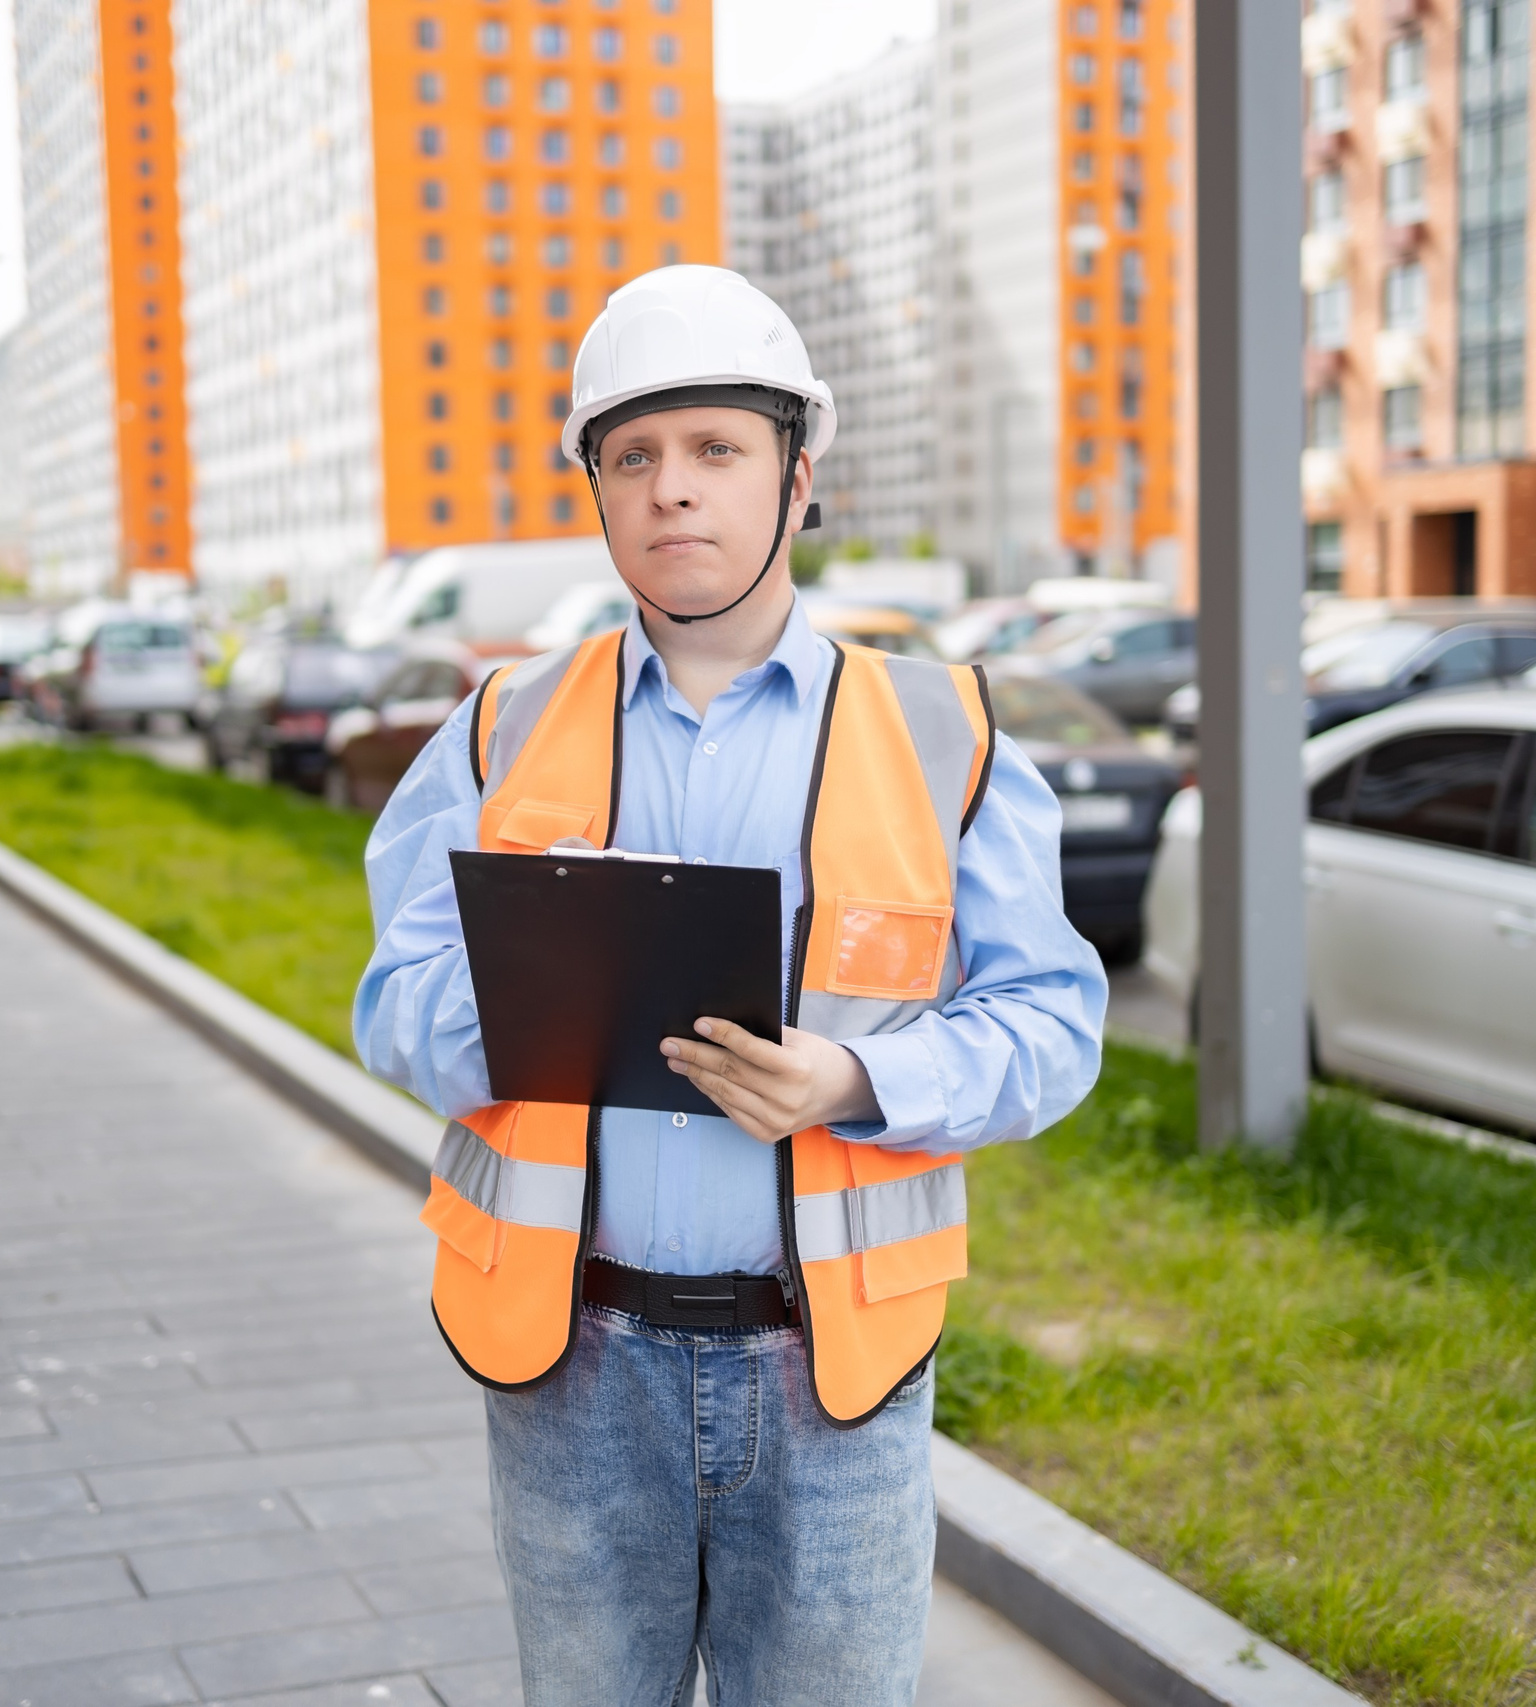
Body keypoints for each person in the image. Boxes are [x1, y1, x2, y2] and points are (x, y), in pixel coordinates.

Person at [356, 266, 1107, 1706]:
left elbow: (1054, 1023)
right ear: (595, 487)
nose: (671, 490)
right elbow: (391, 992)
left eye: (716, 449)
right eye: (630, 455)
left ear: (798, 474)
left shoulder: (943, 732)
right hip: (576, 1375)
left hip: (830, 1385)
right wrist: (515, 1018)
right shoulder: (501, 727)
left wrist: (857, 1079)